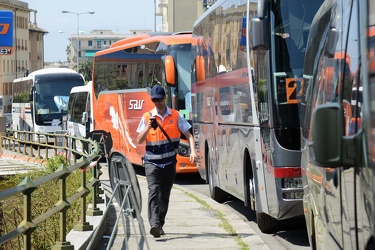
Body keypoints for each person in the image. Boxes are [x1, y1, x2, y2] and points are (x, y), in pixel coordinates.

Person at [136, 85, 197, 238]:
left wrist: (194, 151)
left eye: (159, 99)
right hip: (152, 163)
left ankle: (160, 224)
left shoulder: (175, 116)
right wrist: (148, 127)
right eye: (154, 100)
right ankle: (154, 224)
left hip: (169, 163)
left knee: (164, 195)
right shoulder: (147, 117)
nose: (157, 102)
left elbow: (188, 134)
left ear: (165, 98)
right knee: (153, 191)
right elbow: (139, 139)